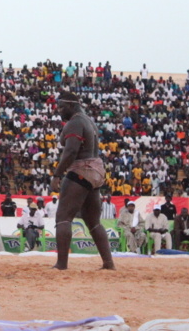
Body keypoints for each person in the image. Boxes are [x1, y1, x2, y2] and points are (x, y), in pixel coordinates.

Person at [51, 91, 115, 270]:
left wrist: (57, 174)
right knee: (93, 220)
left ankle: (61, 264)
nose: (59, 111)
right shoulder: (89, 121)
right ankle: (108, 263)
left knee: (63, 216)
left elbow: (71, 151)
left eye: (61, 107)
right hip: (95, 171)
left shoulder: (75, 123)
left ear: (71, 105)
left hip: (81, 169)